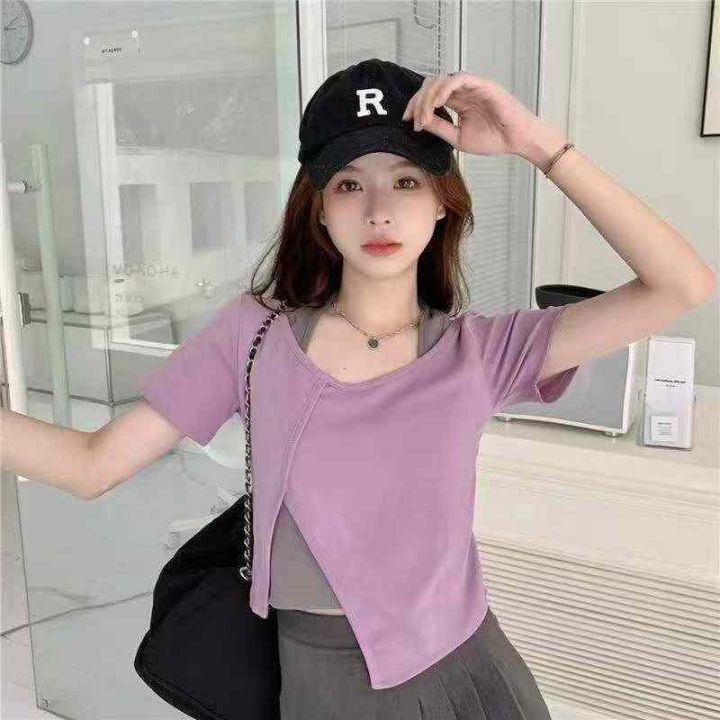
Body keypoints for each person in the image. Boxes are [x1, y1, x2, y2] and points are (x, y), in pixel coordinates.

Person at [1, 58, 714, 720]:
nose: (379, 210)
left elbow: (680, 285)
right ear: (318, 207)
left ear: (442, 203)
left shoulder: (480, 351)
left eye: (406, 181)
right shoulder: (254, 335)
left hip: (466, 666)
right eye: (349, 183)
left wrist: (536, 144)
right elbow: (91, 465)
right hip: (323, 678)